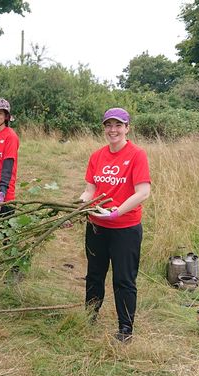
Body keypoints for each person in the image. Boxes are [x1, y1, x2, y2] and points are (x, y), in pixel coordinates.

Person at [79, 107, 151, 343]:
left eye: (118, 125)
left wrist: (117, 212)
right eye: (109, 125)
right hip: (97, 226)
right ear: (104, 128)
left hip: (125, 229)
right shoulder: (97, 156)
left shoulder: (137, 155)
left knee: (123, 279)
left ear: (127, 128)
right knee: (94, 275)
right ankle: (90, 316)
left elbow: (143, 192)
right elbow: (90, 190)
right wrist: (79, 206)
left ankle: (125, 329)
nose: (113, 130)